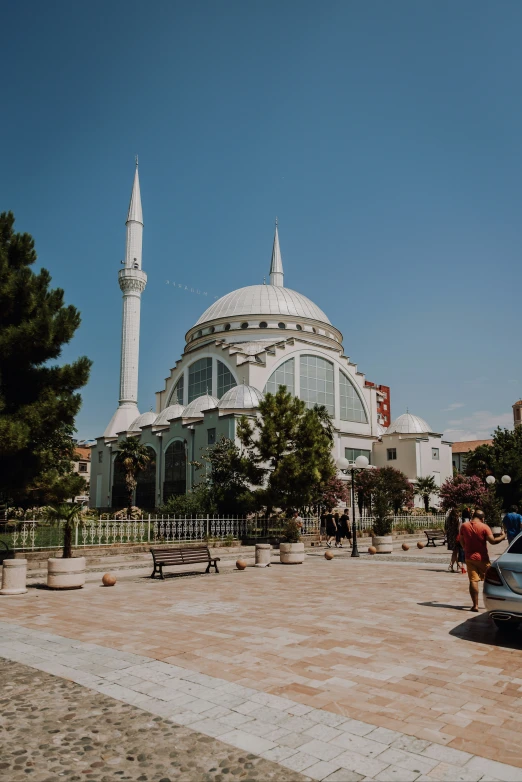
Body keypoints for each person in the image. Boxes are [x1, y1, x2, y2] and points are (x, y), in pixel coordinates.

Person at [459, 509, 506, 612]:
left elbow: (461, 539)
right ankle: (497, 604)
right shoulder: (484, 527)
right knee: (492, 580)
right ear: (482, 518)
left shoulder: (464, 526)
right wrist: (503, 536)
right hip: (482, 558)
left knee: (473, 580)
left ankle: (475, 605)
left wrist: (465, 548)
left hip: (469, 558)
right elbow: (493, 541)